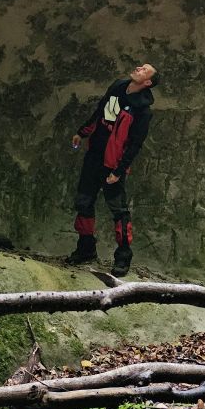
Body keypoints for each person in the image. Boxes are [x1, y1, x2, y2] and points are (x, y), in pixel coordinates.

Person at [67, 63, 158, 276]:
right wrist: (83, 132)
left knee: (118, 209)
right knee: (84, 201)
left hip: (113, 163)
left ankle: (123, 256)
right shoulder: (118, 86)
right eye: (142, 65)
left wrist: (119, 171)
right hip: (94, 154)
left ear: (147, 83)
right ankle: (86, 248)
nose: (139, 67)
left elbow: (135, 145)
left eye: (145, 69)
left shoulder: (143, 111)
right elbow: (101, 110)